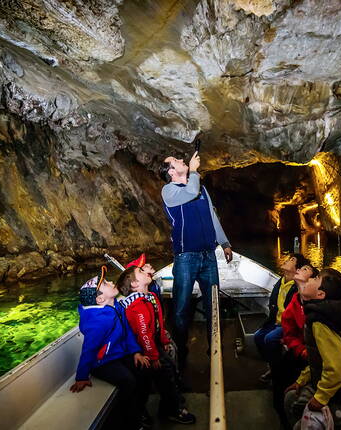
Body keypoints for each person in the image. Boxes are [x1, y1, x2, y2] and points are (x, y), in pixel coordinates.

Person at [159, 151, 233, 367]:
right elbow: (190, 192)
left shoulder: (200, 188)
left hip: (208, 255)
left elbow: (212, 216)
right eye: (174, 161)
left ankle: (215, 349)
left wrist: (224, 243)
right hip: (186, 257)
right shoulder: (169, 191)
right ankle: (180, 351)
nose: (179, 160)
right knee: (181, 307)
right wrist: (193, 171)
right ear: (170, 172)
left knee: (213, 304)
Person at [284, 268, 341, 429]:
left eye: (316, 278)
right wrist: (302, 380)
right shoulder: (320, 315)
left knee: (301, 424)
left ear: (320, 295)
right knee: (291, 398)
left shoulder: (321, 322)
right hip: (339, 387)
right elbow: (317, 358)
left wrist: (320, 399)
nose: (311, 279)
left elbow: (337, 369)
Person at [70, 274, 151, 430]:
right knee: (128, 380)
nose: (111, 282)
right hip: (102, 363)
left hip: (119, 354)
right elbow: (89, 349)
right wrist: (81, 376)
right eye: (106, 283)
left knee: (144, 369)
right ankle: (131, 423)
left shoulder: (117, 307)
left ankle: (139, 410)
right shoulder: (99, 321)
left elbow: (127, 331)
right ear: (100, 299)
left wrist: (136, 352)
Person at [116, 266, 196, 425]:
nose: (145, 271)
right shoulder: (137, 305)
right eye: (140, 271)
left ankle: (170, 401)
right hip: (143, 350)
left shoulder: (150, 296)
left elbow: (158, 322)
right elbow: (144, 334)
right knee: (162, 375)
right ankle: (170, 410)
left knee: (169, 369)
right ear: (134, 284)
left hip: (153, 346)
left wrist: (164, 341)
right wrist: (153, 357)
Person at [272, 262, 319, 429]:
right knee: (279, 380)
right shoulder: (295, 300)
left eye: (305, 269)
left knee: (285, 384)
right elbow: (289, 331)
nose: (299, 269)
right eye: (300, 267)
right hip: (301, 352)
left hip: (314, 357)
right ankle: (283, 418)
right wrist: (300, 349)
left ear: (314, 281)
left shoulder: (316, 304)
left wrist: (306, 352)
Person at [255, 253, 310, 382]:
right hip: (275, 321)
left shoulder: (296, 286)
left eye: (292, 259)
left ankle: (277, 372)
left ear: (297, 269)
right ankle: (272, 365)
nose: (286, 260)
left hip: (286, 325)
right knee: (258, 336)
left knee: (270, 338)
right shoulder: (282, 280)